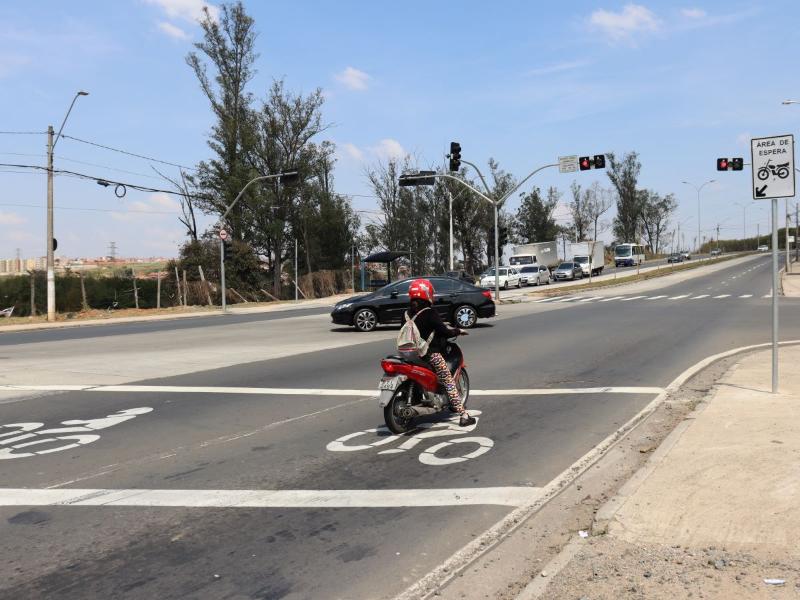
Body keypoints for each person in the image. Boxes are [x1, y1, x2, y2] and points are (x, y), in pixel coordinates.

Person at [407, 278, 476, 427]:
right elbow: (444, 332)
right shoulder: (430, 313)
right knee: (449, 381)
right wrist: (459, 331)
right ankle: (463, 415)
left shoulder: (406, 314)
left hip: (409, 354)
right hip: (429, 354)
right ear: (428, 294)